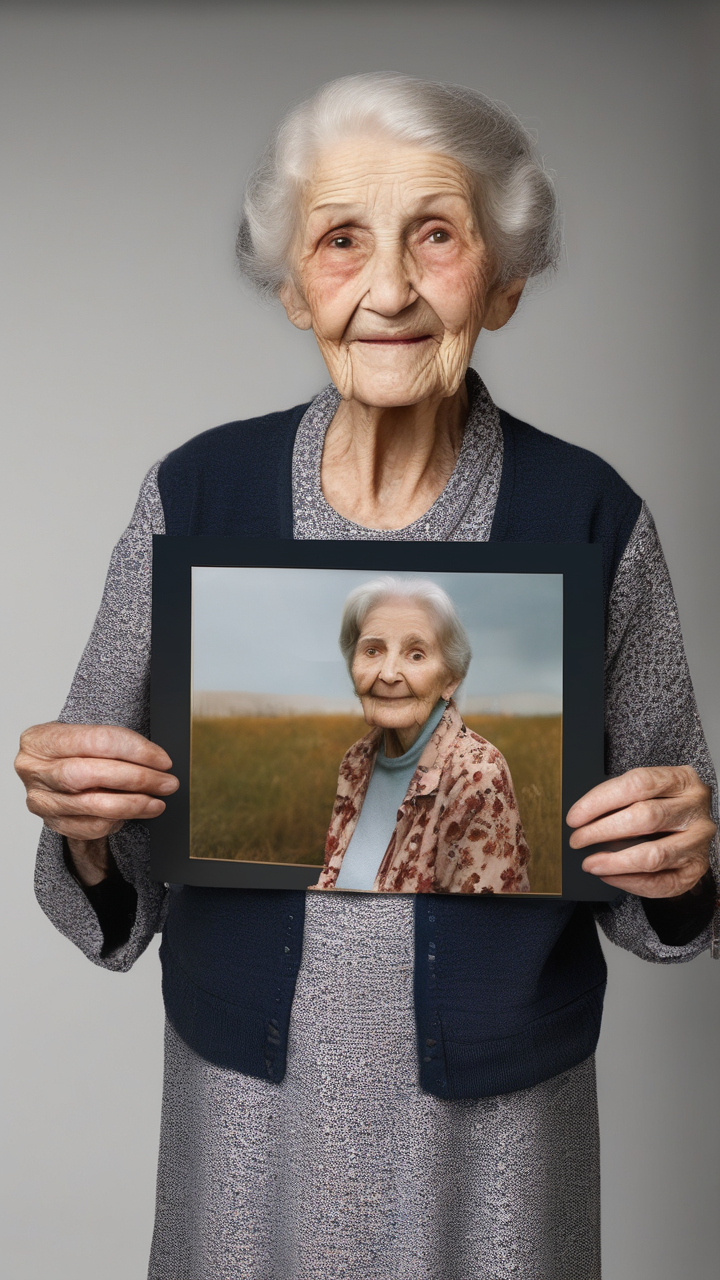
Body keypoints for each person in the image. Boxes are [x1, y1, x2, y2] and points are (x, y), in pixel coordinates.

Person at [14, 73, 718, 1279]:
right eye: (342, 240)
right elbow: (116, 872)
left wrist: (685, 861)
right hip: (248, 1116)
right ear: (295, 287)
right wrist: (83, 826)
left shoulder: (591, 515)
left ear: (505, 281)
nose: (388, 288)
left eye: (435, 236)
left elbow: (667, 902)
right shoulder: (196, 495)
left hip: (503, 1140)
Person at [317, 576, 532, 893]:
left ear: (450, 680)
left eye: (416, 654)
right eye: (372, 651)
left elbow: (481, 921)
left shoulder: (477, 774)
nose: (388, 674)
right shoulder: (357, 760)